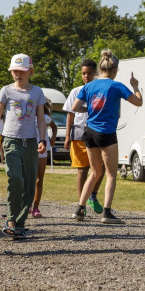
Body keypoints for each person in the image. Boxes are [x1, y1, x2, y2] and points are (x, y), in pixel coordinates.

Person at [70, 50, 142, 224]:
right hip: (106, 132)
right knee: (110, 174)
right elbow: (138, 102)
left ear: (100, 69)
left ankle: (79, 209)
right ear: (115, 69)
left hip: (89, 131)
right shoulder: (116, 86)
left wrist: (91, 109)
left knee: (94, 172)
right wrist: (135, 87)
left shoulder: (88, 86)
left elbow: (74, 107)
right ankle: (107, 213)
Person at [0, 54, 46, 238]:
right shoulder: (6, 91)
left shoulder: (37, 92)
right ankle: (10, 218)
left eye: (22, 71)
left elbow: (40, 118)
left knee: (30, 184)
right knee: (16, 178)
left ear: (30, 71)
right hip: (11, 141)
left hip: (31, 142)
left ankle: (20, 224)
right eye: (15, 71)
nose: (18, 75)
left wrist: (43, 140)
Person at [63, 59, 104, 216]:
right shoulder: (76, 91)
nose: (86, 76)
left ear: (96, 73)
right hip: (79, 134)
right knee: (82, 170)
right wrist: (67, 135)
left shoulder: (99, 90)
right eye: (83, 73)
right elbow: (70, 114)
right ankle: (82, 205)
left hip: (97, 132)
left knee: (99, 168)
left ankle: (92, 195)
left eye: (89, 73)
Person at [30, 99, 57, 218]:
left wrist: (52, 139)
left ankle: (35, 207)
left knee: (39, 179)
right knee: (27, 180)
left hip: (42, 152)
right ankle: (25, 205)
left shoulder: (45, 117)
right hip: (29, 150)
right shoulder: (28, 116)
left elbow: (54, 126)